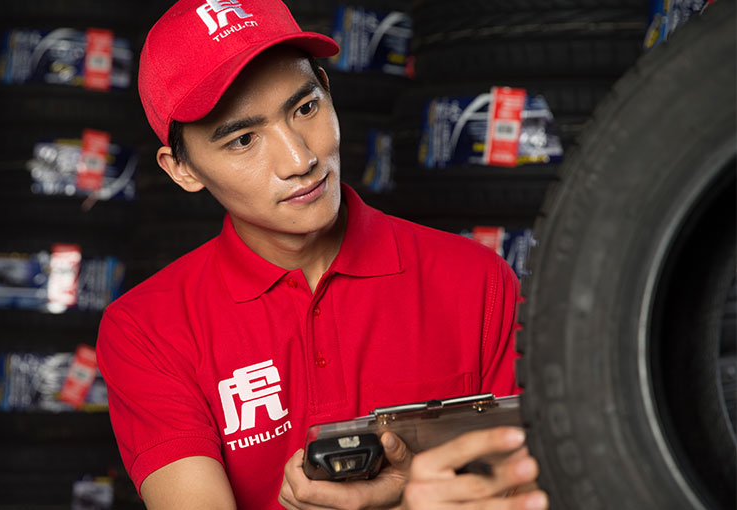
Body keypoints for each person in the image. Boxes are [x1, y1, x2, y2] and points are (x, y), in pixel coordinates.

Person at [95, 1, 547, 509]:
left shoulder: (476, 280)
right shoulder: (145, 329)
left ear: (327, 90)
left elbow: (539, 486)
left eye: (305, 109)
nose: (300, 159)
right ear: (182, 170)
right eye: (243, 139)